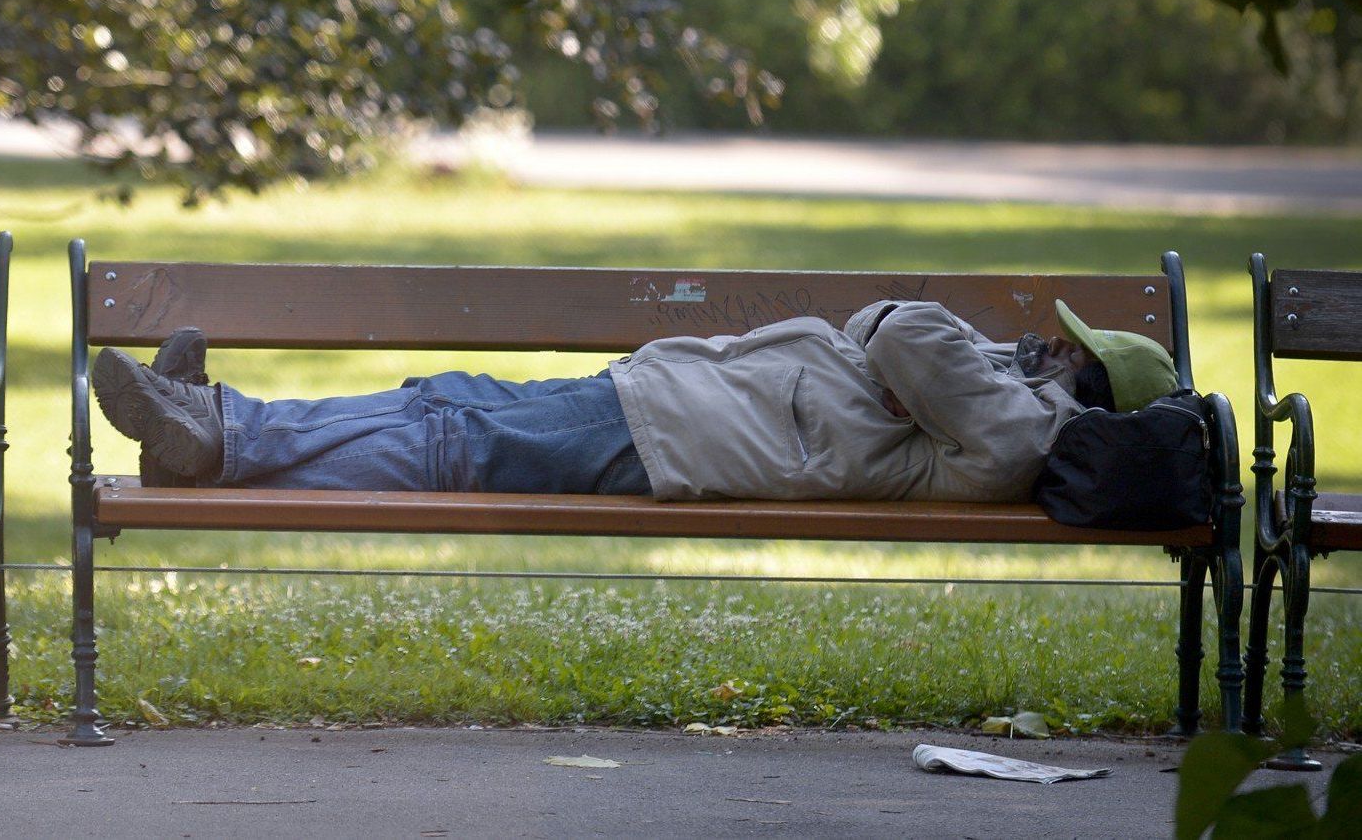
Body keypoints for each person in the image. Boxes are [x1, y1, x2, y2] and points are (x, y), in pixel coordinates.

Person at [90, 300, 1182, 503]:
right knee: (447, 403)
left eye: (1063, 348)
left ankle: (220, 430)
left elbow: (894, 329)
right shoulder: (996, 394)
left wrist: (997, 360)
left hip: (681, 435)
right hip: (665, 399)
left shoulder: (1022, 423)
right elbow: (879, 347)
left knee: (454, 441)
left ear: (1083, 388)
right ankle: (213, 431)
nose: (1042, 335)